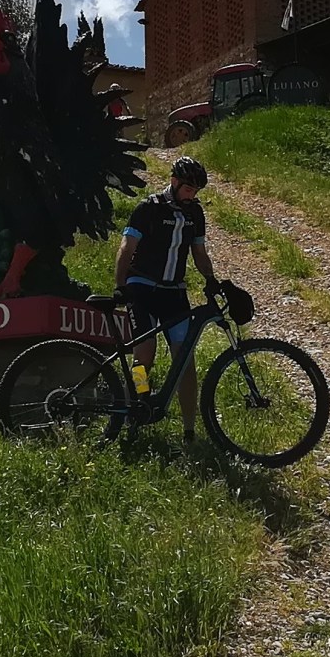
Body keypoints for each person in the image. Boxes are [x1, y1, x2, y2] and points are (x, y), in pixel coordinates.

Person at [115, 155, 219, 444]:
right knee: (144, 352)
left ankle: (189, 430)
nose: (191, 195)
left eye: (196, 191)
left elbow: (199, 252)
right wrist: (120, 284)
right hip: (142, 288)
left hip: (174, 292)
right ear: (174, 182)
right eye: (188, 189)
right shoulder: (148, 208)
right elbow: (127, 246)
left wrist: (210, 279)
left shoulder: (195, 214)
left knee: (185, 359)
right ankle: (133, 408)